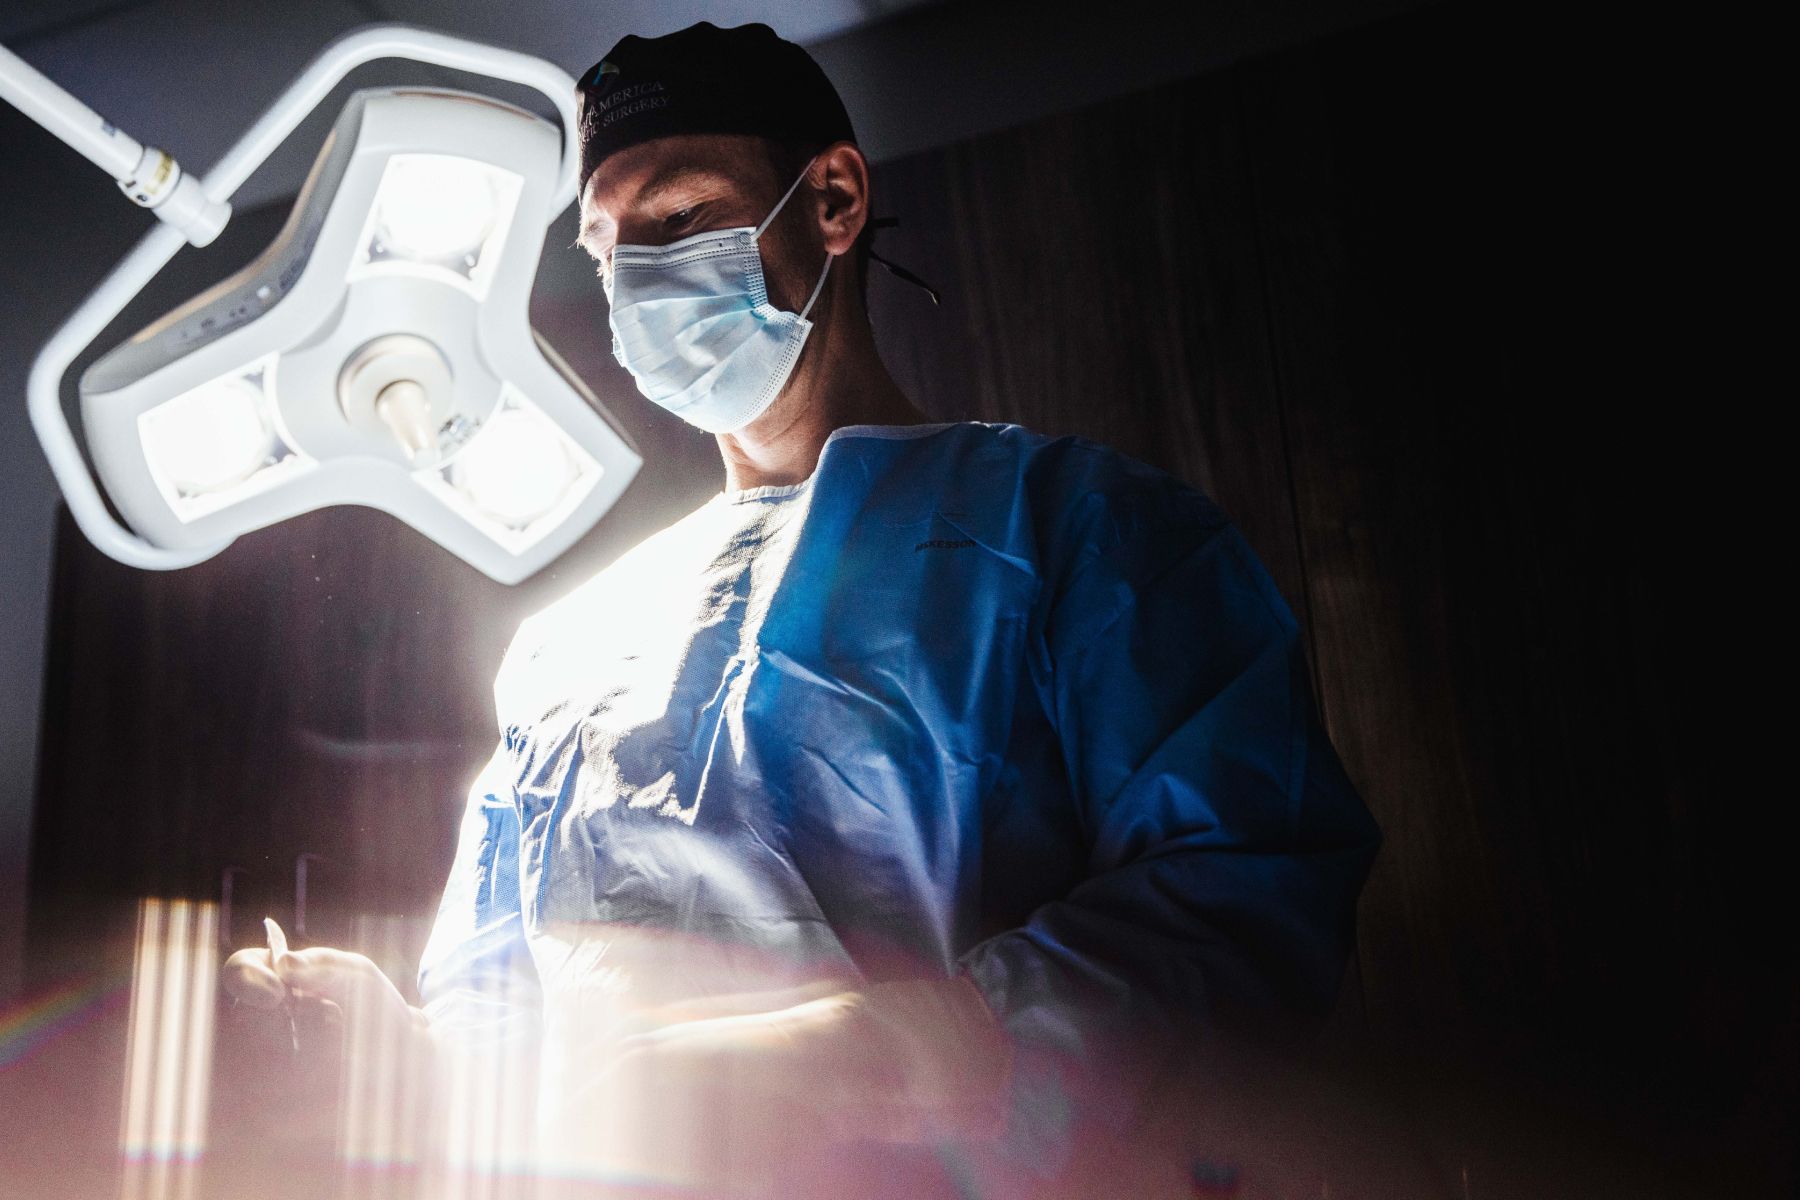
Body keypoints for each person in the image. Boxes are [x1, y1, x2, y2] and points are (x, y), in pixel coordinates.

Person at [228, 21, 1383, 1198]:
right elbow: (497, 1027)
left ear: (830, 199)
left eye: (676, 218)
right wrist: (404, 1051)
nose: (633, 278)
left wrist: (891, 1054)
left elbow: (1247, 892)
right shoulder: (561, 654)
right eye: (603, 245)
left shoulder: (1077, 533)